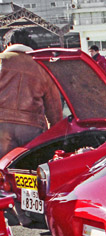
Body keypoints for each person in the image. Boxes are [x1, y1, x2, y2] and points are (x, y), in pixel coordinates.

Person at [0, 28, 62, 157]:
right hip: (32, 130)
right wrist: (56, 135)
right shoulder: (42, 66)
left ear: (8, 44)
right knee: (28, 169)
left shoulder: (1, 60)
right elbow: (54, 108)